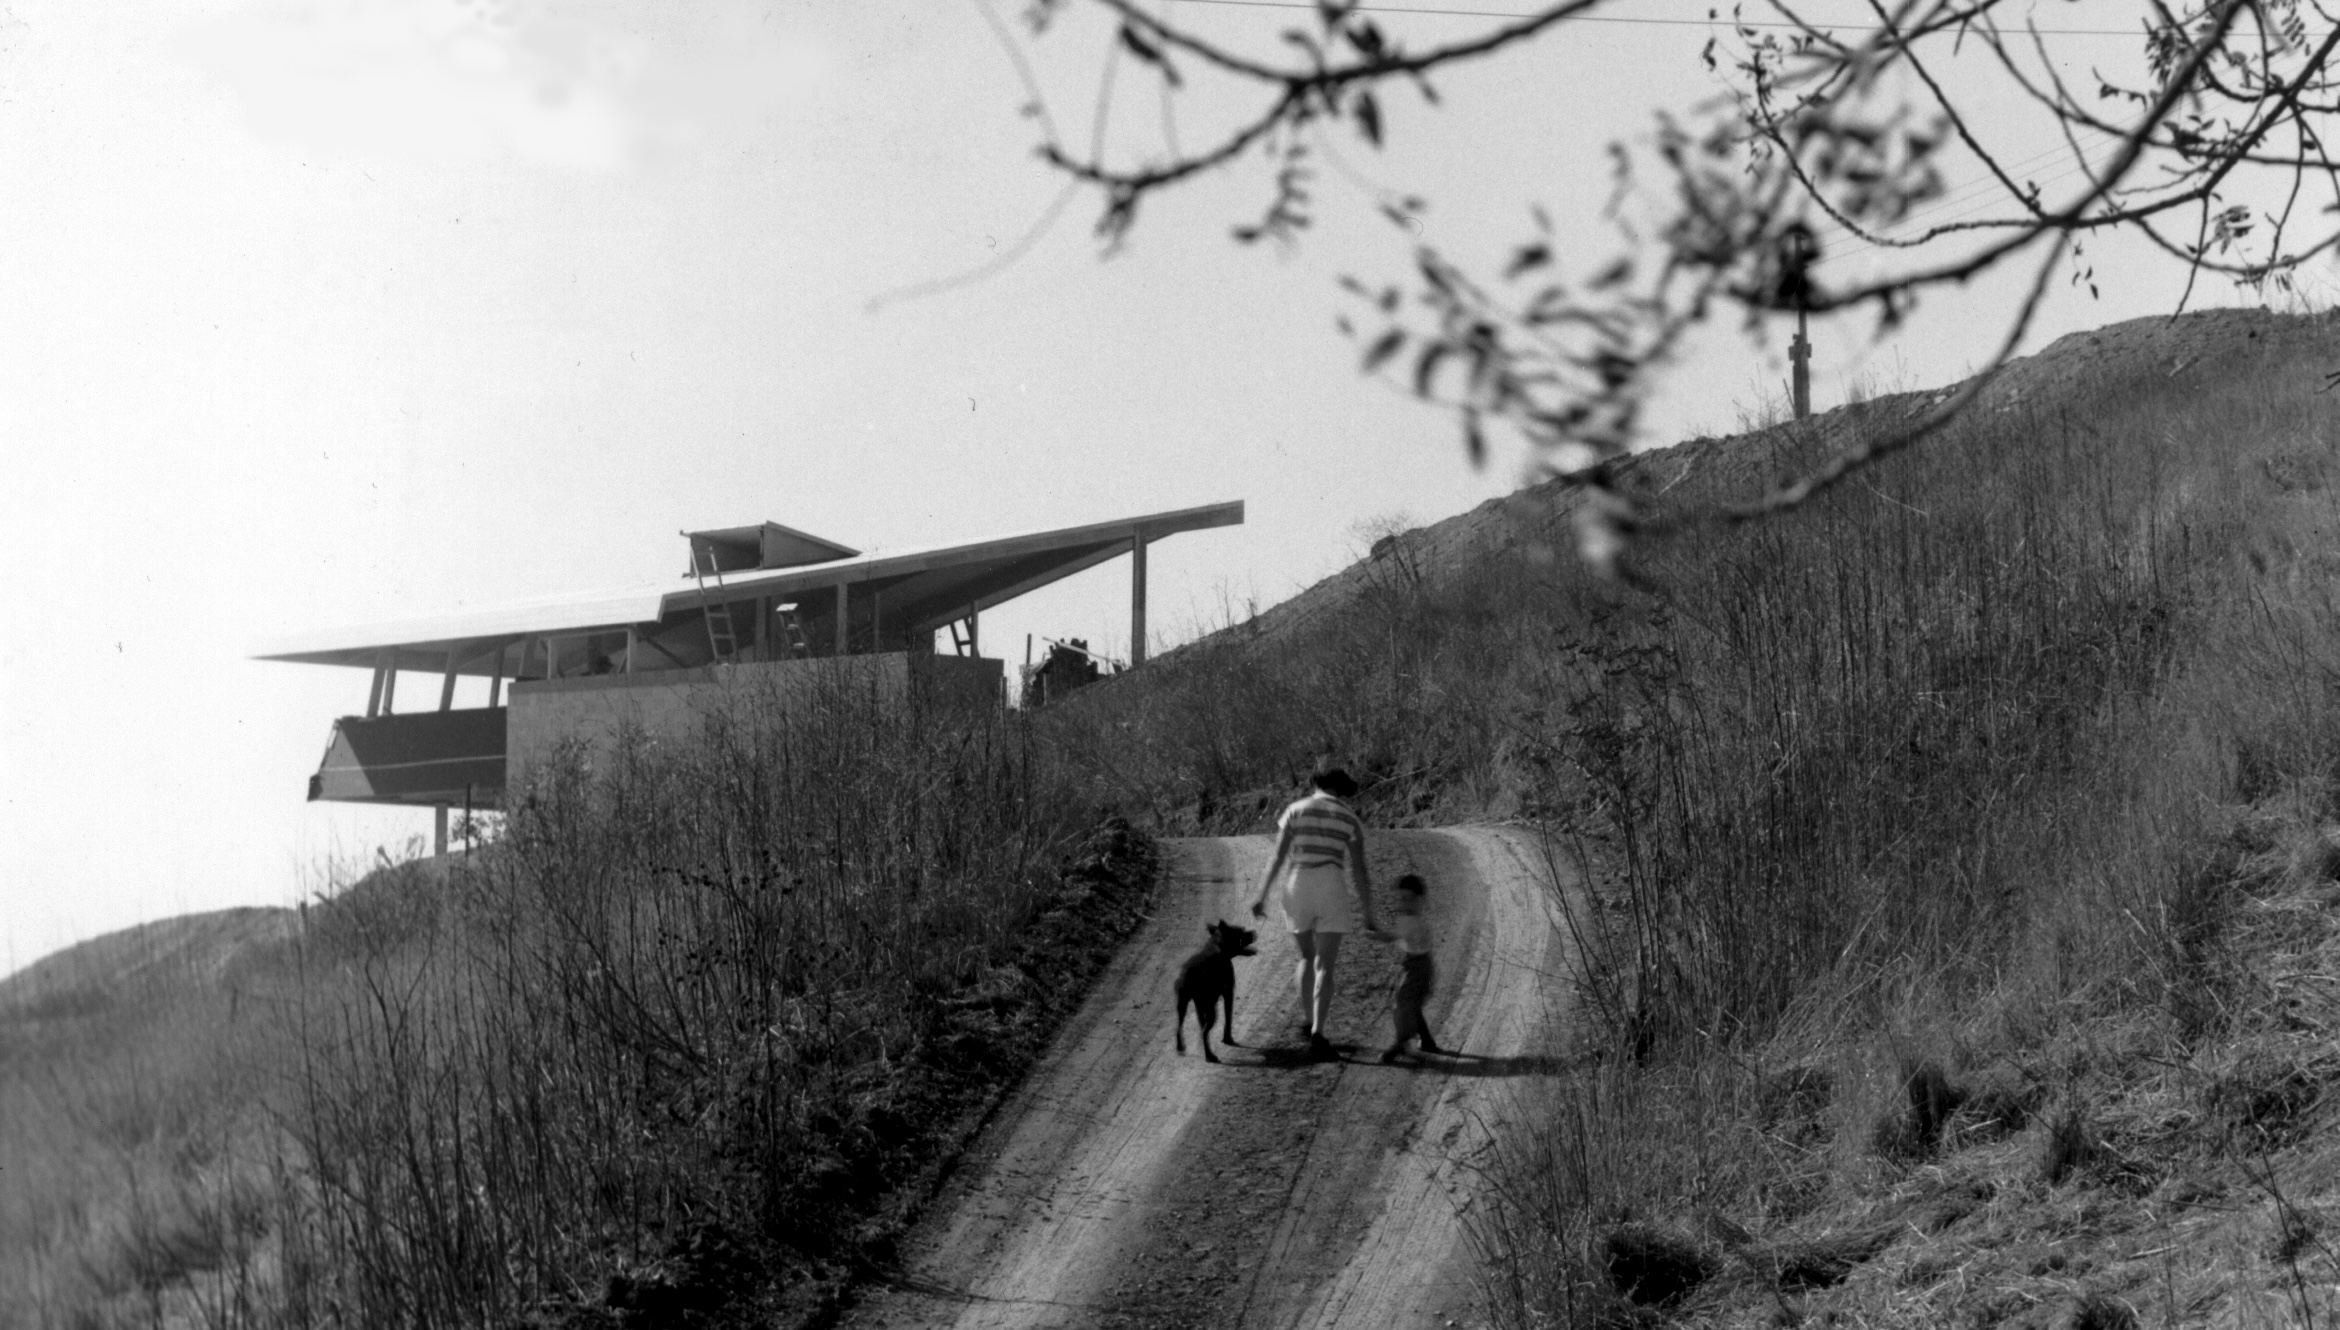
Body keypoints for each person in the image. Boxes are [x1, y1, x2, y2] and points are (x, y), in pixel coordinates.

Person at [1250, 766, 1380, 1060]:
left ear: (1315, 784)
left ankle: (1307, 1019)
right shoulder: (1349, 817)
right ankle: (1318, 1033)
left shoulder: (1295, 810)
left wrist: (1261, 895)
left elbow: (1278, 856)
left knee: (1306, 958)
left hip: (1298, 884)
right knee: (1326, 966)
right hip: (1331, 884)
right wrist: (1369, 912)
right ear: (1339, 787)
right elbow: (1360, 870)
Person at [1372, 874, 1446, 1063]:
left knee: (1403, 1004)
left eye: (1409, 899)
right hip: (1420, 964)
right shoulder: (1414, 918)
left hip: (1417, 966)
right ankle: (1426, 1041)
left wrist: (1374, 933)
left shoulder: (1409, 921)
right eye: (1400, 899)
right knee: (1412, 1004)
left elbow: (1391, 937)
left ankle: (1400, 1044)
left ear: (1420, 900)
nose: (1403, 904)